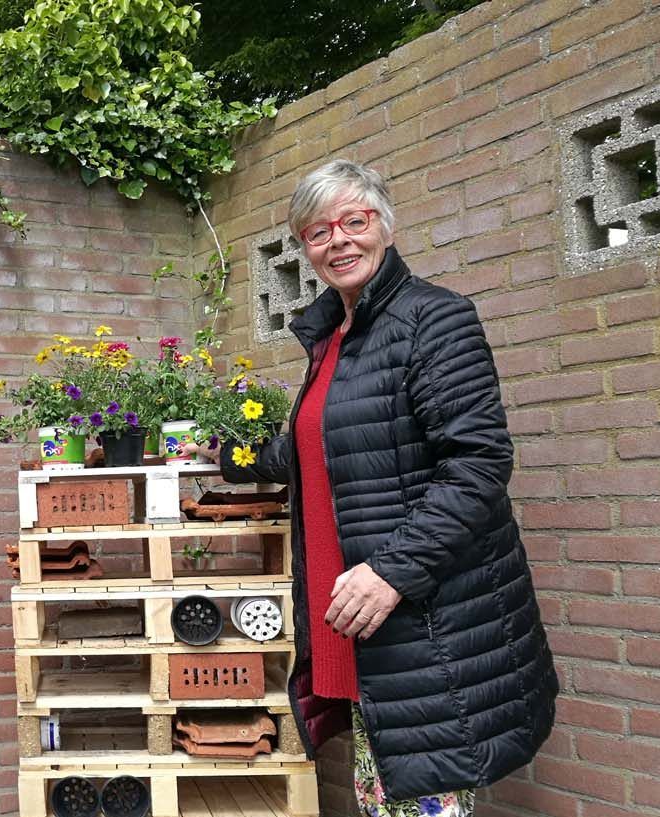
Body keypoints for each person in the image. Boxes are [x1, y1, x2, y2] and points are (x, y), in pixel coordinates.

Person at [218, 159, 558, 814]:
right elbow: (316, 445)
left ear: (385, 224)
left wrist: (390, 571)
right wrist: (231, 455)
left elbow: (480, 462)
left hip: (422, 619)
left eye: (354, 220)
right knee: (387, 791)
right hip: (365, 624)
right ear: (306, 248)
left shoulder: (433, 319)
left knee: (418, 794)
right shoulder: (338, 336)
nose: (338, 240)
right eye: (319, 231)